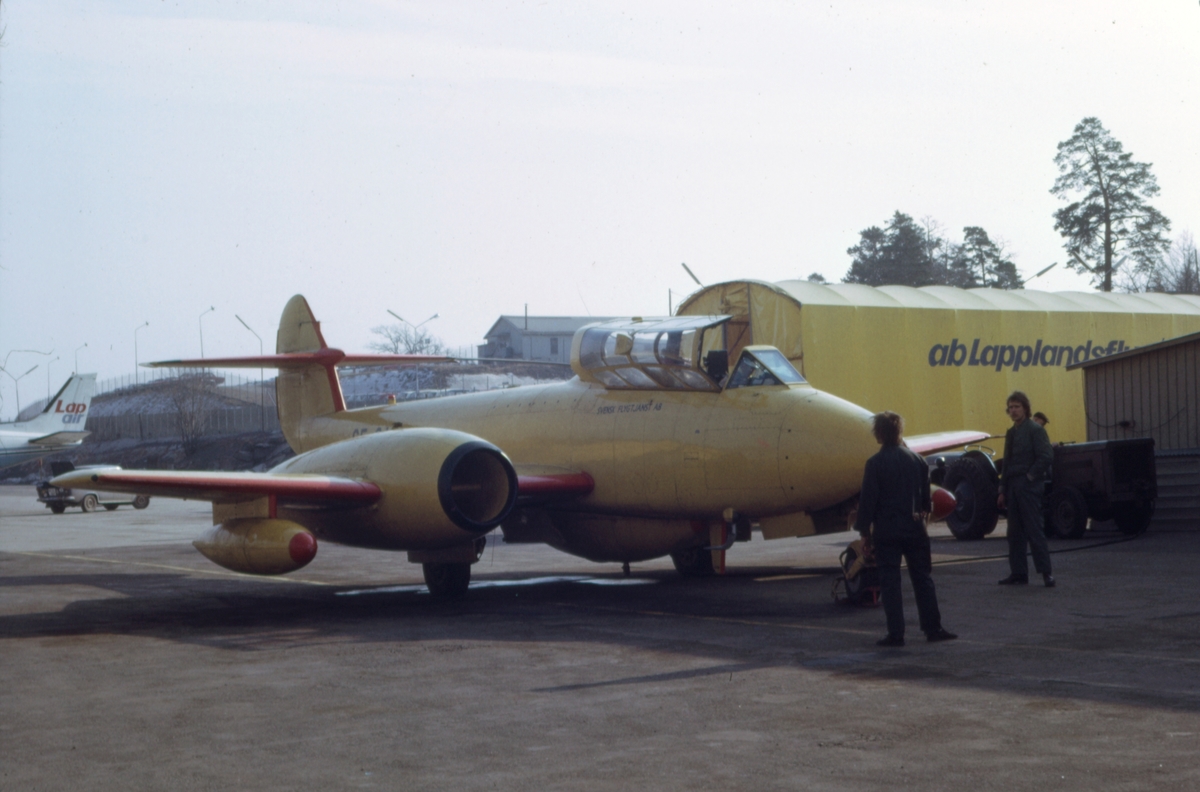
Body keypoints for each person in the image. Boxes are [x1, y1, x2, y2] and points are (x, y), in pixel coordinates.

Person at [854, 411, 957, 647]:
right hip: (915, 529)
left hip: (887, 532)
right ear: (900, 433)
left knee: (890, 582)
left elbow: (868, 503)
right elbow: (925, 502)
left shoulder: (874, 464)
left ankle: (896, 634)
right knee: (923, 579)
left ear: (878, 435)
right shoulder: (918, 461)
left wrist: (864, 534)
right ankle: (934, 628)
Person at [998, 391, 1056, 587]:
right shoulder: (1011, 432)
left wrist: (1030, 476)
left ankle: (1046, 573)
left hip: (1029, 486)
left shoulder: (1035, 430)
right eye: (1011, 407)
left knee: (1034, 529)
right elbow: (1006, 462)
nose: (1013, 411)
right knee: (1014, 532)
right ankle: (1019, 573)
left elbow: (1046, 456)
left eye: (1017, 407)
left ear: (1025, 408)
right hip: (1013, 485)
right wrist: (1002, 489)